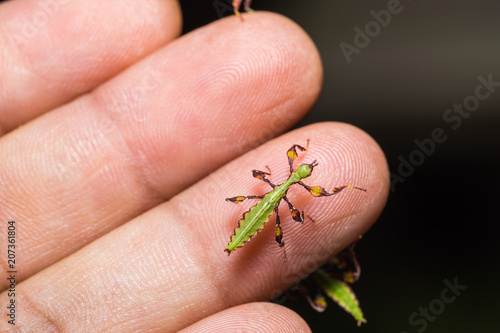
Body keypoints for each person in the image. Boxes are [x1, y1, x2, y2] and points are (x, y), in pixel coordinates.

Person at [0, 2, 388, 331]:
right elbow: (295, 202)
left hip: (265, 207)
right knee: (279, 225)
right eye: (303, 167)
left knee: (283, 229)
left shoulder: (283, 189)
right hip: (263, 209)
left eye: (303, 171)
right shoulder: (286, 190)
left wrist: (336, 189)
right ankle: (245, 240)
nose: (303, 170)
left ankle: (262, 237)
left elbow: (295, 200)